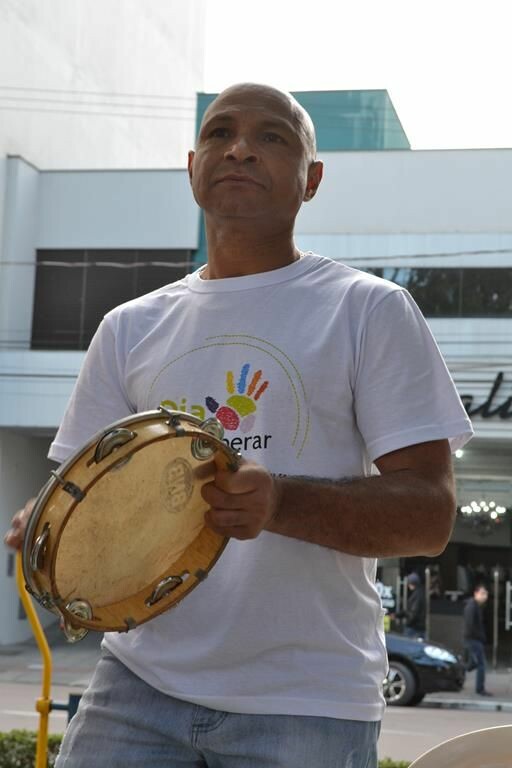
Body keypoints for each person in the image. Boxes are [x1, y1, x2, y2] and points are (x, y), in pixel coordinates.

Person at [5, 83, 473, 768]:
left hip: (307, 700)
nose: (241, 148)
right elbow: (85, 499)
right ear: (192, 165)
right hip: (136, 686)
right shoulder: (128, 328)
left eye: (272, 137)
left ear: (312, 180)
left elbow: (430, 516)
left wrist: (279, 500)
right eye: (220, 133)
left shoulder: (370, 310)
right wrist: (45, 525)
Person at [464, 584, 492, 696]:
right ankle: (480, 689)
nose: (485, 596)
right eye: (482, 594)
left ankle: (458, 673)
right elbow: (470, 625)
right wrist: (480, 636)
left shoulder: (476, 606)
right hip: (473, 639)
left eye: (486, 594)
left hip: (474, 639)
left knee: (472, 664)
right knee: (481, 664)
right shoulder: (471, 606)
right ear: (475, 594)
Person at [398, 572, 426, 638]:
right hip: (418, 627)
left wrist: (408, 624)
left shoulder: (417, 595)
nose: (408, 585)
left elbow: (413, 613)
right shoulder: (419, 593)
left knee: (406, 645)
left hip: (414, 627)